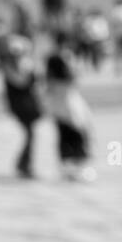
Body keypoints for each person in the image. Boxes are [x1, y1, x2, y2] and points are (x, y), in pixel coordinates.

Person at [44, 32, 96, 181]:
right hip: (65, 98)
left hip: (63, 98)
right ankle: (73, 164)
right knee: (74, 131)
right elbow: (69, 77)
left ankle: (71, 164)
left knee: (70, 131)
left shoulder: (57, 57)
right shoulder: (58, 58)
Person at [0, 35, 43, 179]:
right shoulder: (10, 67)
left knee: (30, 134)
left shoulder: (22, 64)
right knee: (30, 134)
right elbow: (21, 83)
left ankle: (24, 163)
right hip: (21, 106)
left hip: (27, 106)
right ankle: (24, 164)